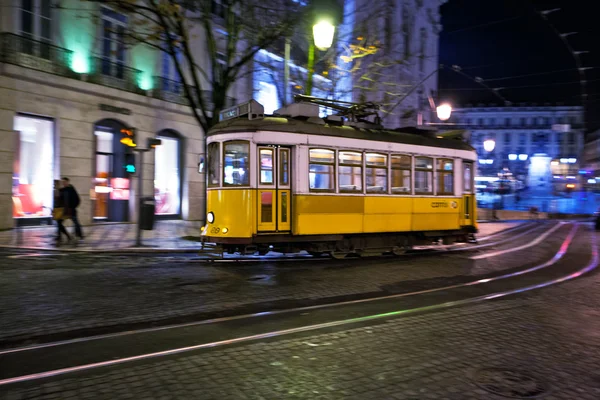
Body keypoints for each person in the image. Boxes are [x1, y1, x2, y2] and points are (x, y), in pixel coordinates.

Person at [53, 180, 72, 245]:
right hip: (58, 210)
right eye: (54, 184)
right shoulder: (56, 191)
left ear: (58, 184)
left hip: (62, 210)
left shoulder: (62, 191)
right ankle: (60, 236)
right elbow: (56, 202)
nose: (54, 185)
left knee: (59, 224)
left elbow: (66, 201)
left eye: (55, 184)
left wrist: (65, 211)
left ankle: (67, 236)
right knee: (59, 224)